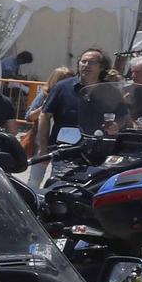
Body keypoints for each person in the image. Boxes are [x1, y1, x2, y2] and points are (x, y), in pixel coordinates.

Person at [32, 47, 108, 184]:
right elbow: (44, 115)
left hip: (98, 153)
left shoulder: (109, 90)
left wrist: (115, 126)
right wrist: (43, 148)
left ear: (101, 67)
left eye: (91, 62)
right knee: (60, 189)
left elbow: (122, 117)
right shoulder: (62, 87)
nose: (86, 65)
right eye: (83, 61)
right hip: (66, 153)